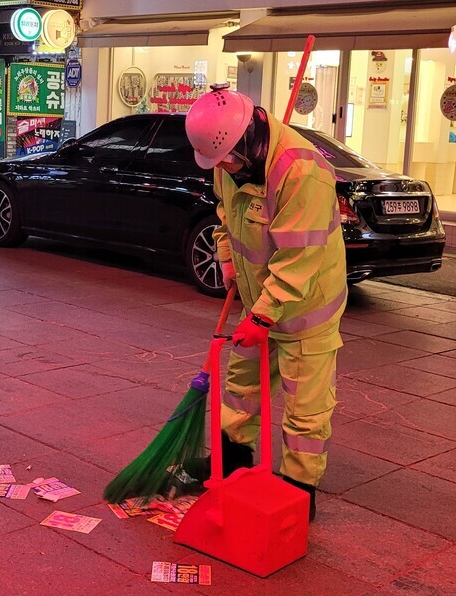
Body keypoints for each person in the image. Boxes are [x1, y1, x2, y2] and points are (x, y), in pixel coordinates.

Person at [184, 83, 347, 522]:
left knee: (306, 410)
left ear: (249, 140)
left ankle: (298, 491)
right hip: (259, 299)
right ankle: (232, 461)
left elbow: (299, 257)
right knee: (241, 388)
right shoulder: (227, 162)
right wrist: (227, 260)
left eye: (230, 160)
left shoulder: (302, 172)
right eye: (221, 164)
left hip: (306, 308)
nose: (227, 170)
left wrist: (263, 314)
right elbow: (224, 214)